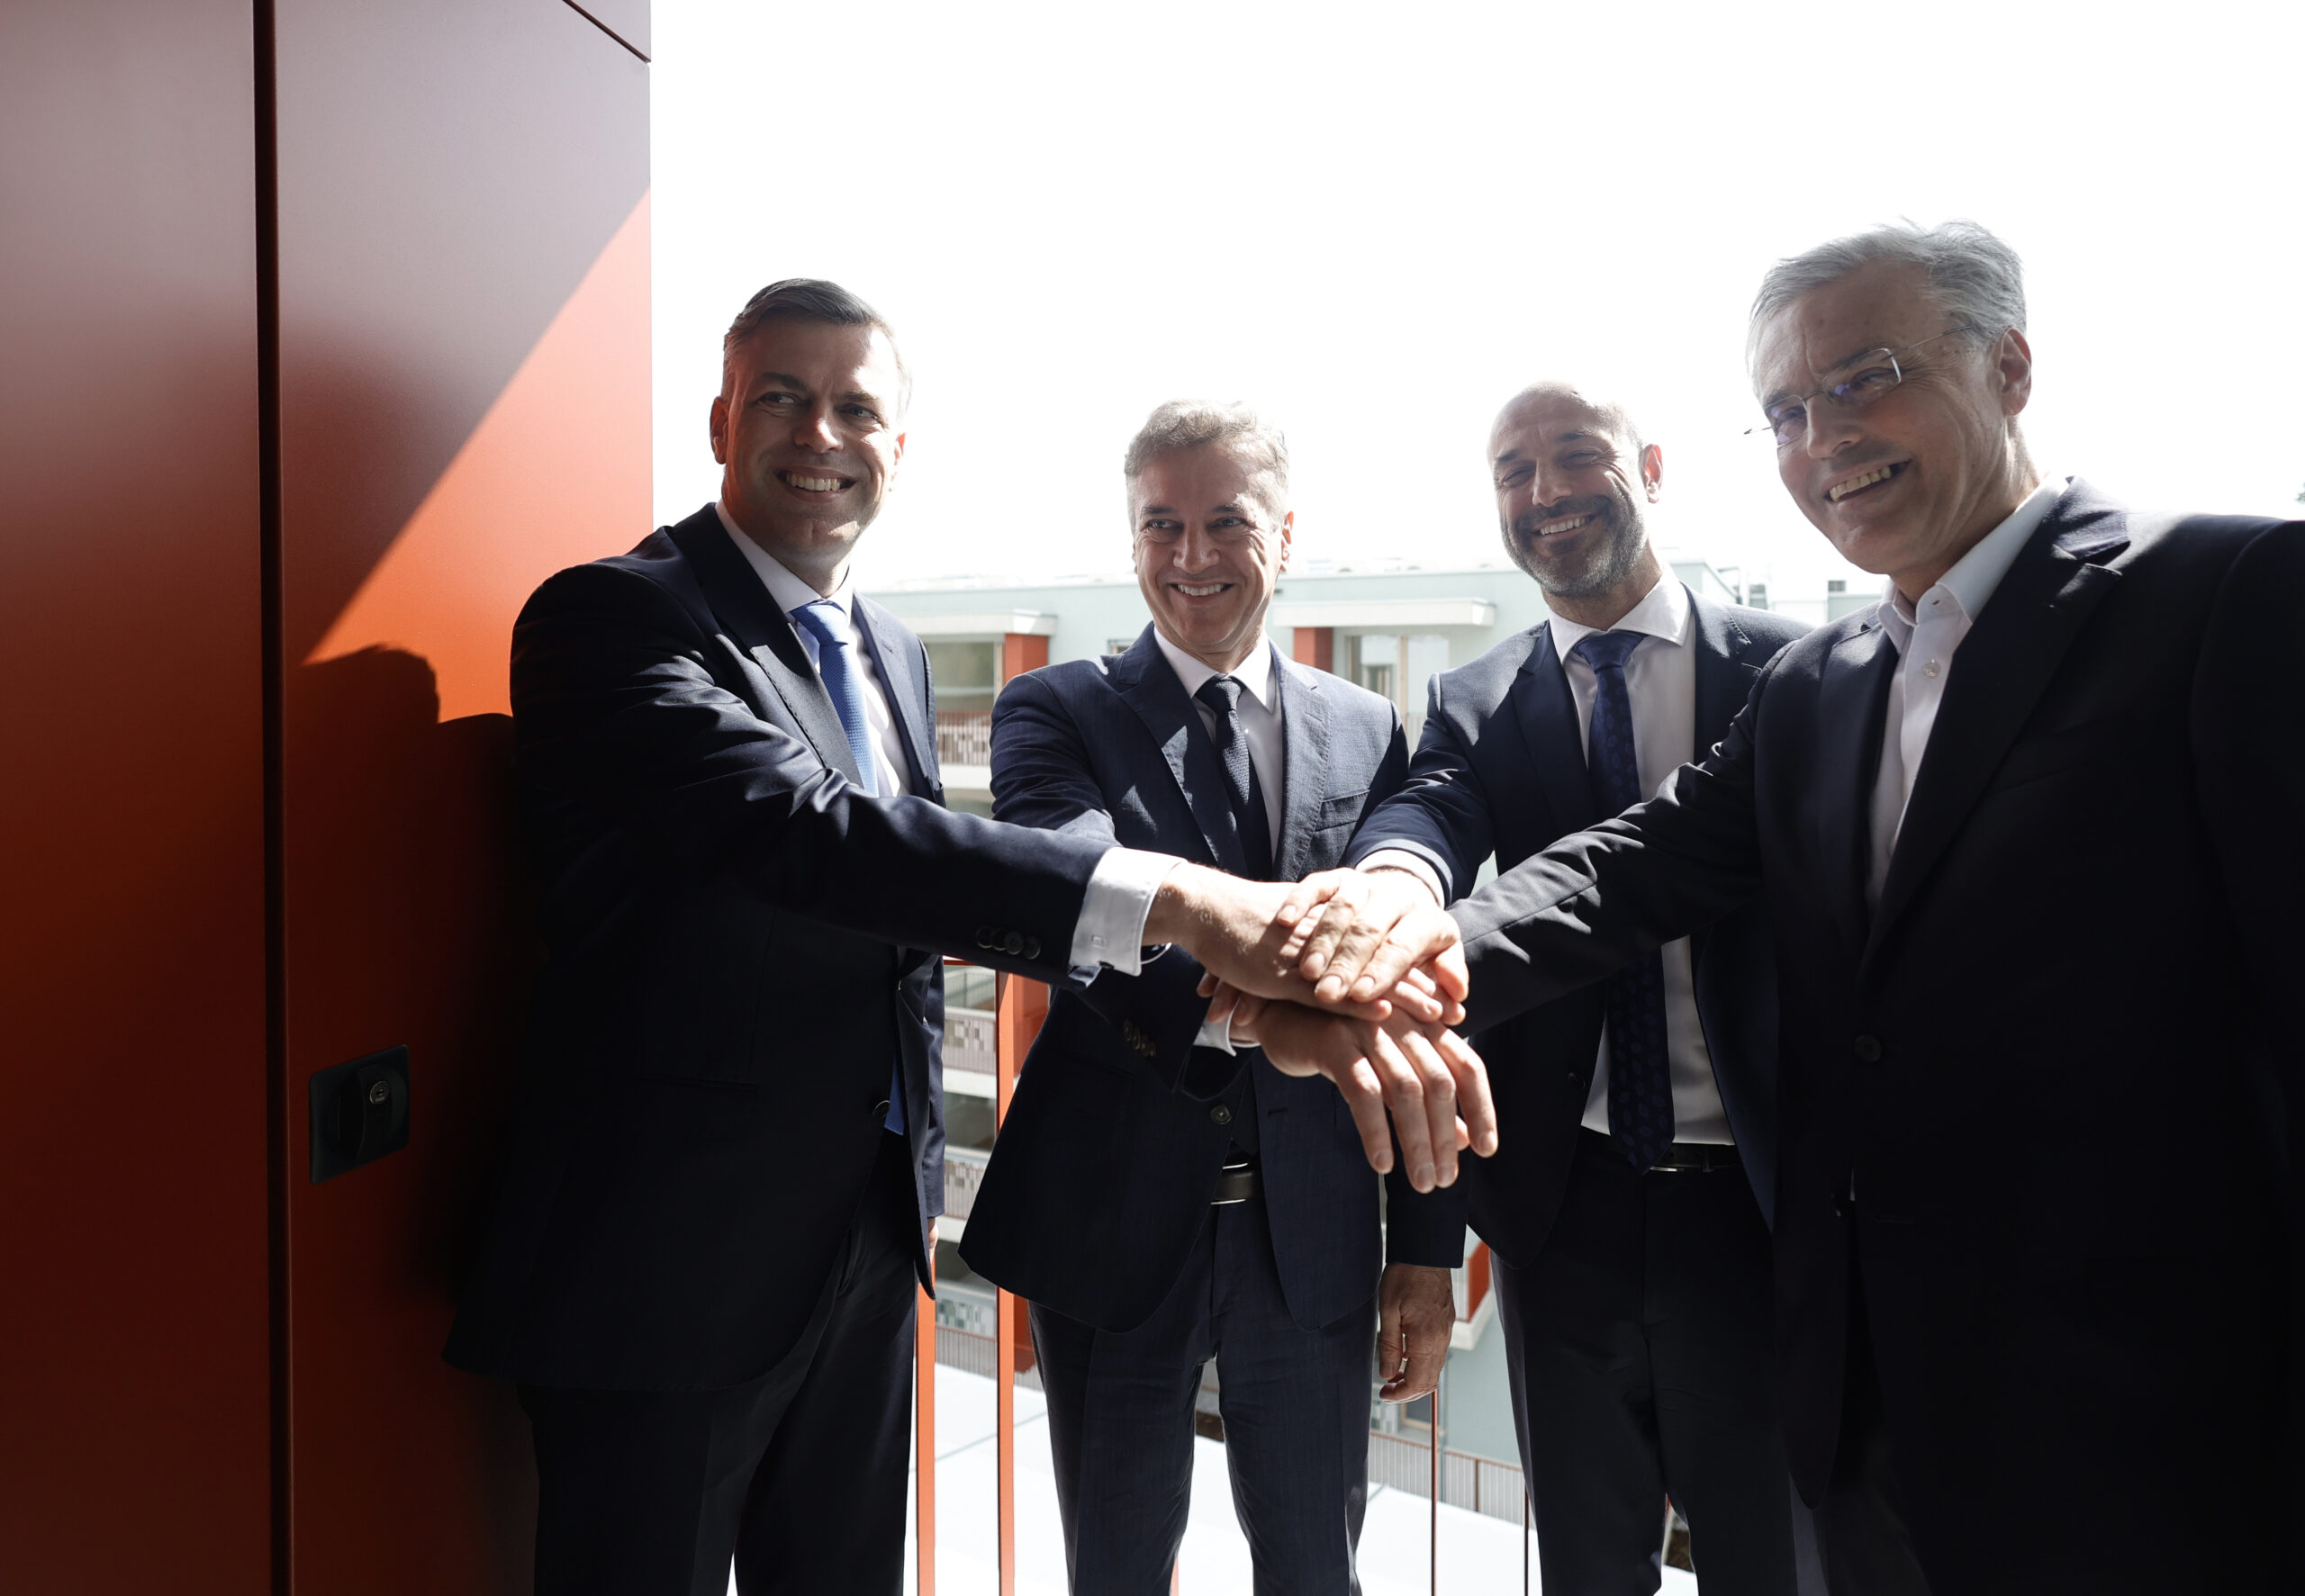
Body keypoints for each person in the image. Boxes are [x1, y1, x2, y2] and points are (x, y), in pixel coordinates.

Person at [1254, 221, 2305, 1592]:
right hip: (1862, 1412)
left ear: (2009, 366)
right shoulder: (1821, 683)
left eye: (1866, 379)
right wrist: (1392, 949)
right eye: (1789, 411)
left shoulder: (2229, 597)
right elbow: (1627, 870)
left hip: (2148, 1426)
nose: (1826, 438)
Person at [440, 280, 1483, 1596]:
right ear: (718, 421)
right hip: (673, 1264)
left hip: (874, 1251)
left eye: (856, 407)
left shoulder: (887, 645)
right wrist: (1195, 906)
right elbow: (817, 837)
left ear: (898, 444)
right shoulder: (611, 616)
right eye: (783, 398)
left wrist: (1407, 1214)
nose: (821, 434)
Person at [961, 401, 1468, 1595]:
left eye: (1225, 522)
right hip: (1116, 1221)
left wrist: (1426, 1252)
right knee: (1117, 1571)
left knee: (1318, 1570)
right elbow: (1078, 910)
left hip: (1315, 1235)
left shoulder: (1368, 729)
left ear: (1285, 535)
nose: (1191, 555)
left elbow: (1412, 994)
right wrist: (1266, 1013)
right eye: (1161, 525)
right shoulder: (1055, 710)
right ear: (1132, 537)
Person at [1345, 383, 1812, 1594]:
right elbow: (1428, 814)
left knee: (1775, 1560)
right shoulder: (1474, 700)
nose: (1545, 491)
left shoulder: (1793, 670)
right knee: (1586, 1570)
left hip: (1760, 1210)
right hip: (1563, 1214)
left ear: (1649, 465)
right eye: (1514, 470)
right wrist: (1394, 881)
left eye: (1573, 455)